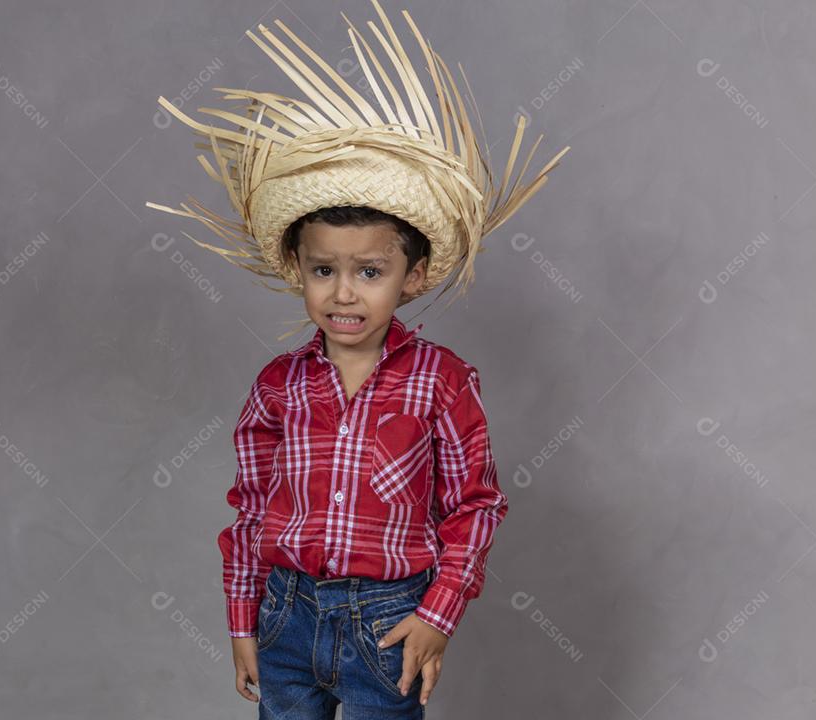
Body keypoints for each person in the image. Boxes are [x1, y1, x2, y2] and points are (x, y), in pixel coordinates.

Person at [145, 1, 569, 716]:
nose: (344, 294)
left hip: (389, 618)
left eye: (370, 272)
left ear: (415, 274)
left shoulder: (441, 381)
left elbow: (475, 506)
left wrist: (437, 614)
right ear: (296, 268)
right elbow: (251, 510)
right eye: (323, 271)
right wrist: (242, 619)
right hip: (285, 614)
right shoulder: (278, 386)